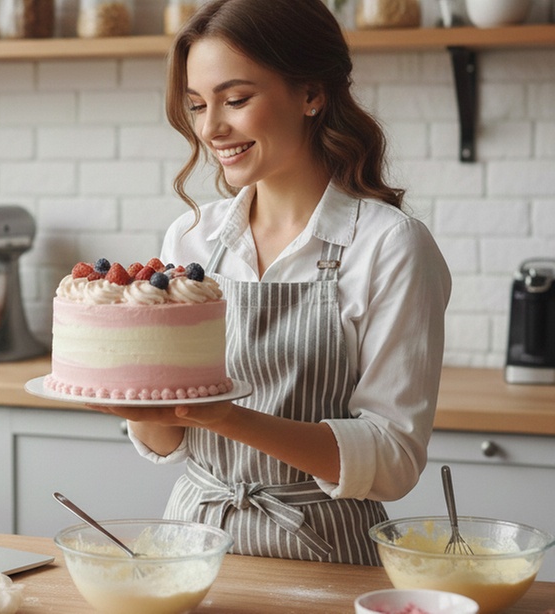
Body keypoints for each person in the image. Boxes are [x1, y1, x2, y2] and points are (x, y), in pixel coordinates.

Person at [92, 0, 451, 566]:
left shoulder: (389, 244)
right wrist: (136, 400)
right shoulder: (191, 239)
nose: (211, 128)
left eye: (236, 100)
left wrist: (227, 417)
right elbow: (167, 443)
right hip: (193, 545)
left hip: (327, 554)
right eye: (197, 105)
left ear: (312, 93)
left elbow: (392, 459)